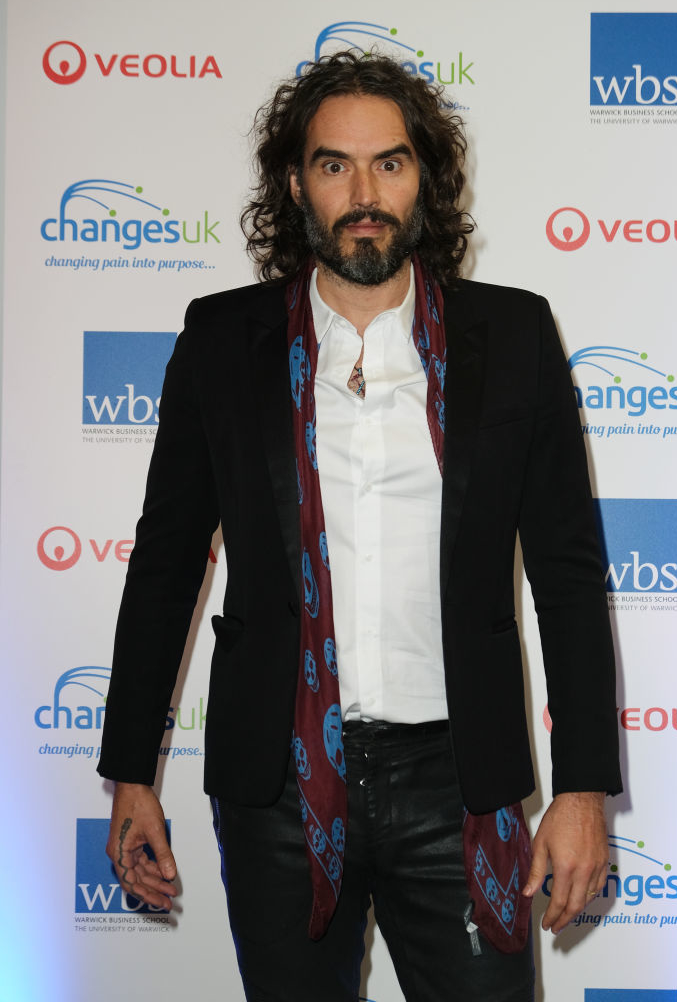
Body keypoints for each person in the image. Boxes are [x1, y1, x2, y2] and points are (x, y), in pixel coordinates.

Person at [98, 51, 622, 1002]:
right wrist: (131, 771)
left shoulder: (512, 338)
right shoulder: (222, 342)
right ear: (296, 182)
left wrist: (584, 790)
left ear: (426, 177)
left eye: (390, 163)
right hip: (279, 791)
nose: (364, 192)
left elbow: (570, 574)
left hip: (463, 781)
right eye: (335, 165)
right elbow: (168, 563)